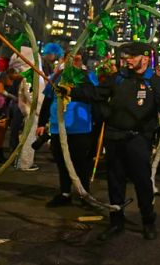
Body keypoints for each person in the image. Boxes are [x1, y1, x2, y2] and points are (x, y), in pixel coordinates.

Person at [67, 41, 160, 240]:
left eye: (132, 57)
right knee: (115, 182)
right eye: (125, 57)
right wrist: (71, 91)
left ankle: (148, 221)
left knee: (142, 182)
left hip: (139, 139)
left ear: (145, 58)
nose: (127, 61)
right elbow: (96, 93)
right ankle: (116, 221)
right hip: (114, 137)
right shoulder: (119, 78)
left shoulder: (154, 82)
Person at [37, 52, 97, 208]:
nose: (72, 62)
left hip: (80, 128)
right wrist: (42, 123)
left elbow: (93, 96)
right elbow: (48, 99)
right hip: (58, 127)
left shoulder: (87, 77)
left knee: (81, 164)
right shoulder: (57, 77)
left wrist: (72, 92)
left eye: (76, 59)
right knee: (62, 162)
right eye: (69, 59)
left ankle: (84, 194)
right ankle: (65, 192)